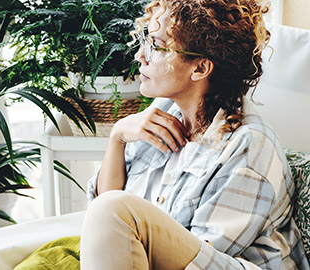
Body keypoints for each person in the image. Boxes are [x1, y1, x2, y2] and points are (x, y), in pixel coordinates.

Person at [80, 0, 310, 269]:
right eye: (146, 40)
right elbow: (105, 222)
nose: (140, 56)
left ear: (200, 68)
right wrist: (117, 136)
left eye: (156, 46)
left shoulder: (249, 146)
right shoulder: (162, 113)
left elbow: (195, 257)